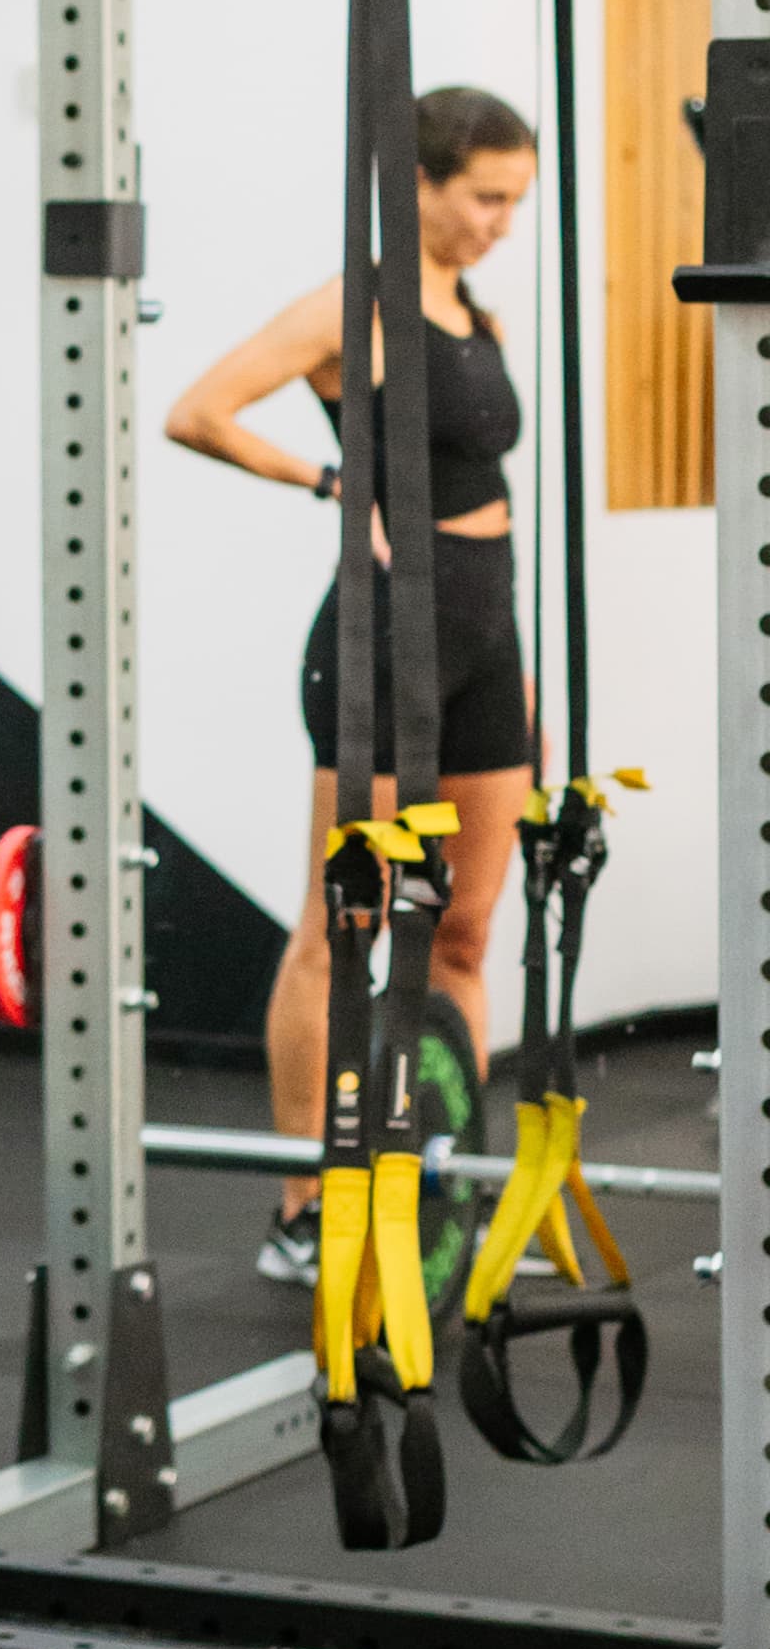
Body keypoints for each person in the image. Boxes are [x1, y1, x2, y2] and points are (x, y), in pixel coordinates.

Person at [163, 85, 539, 1285]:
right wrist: (328, 485)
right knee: (346, 930)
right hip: (386, 636)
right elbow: (198, 410)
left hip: (487, 633)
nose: (498, 222)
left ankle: (457, 1196)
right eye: (484, 197)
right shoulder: (356, 305)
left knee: (469, 933)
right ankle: (298, 1207)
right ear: (420, 182)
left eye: (514, 201)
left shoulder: (473, 309)